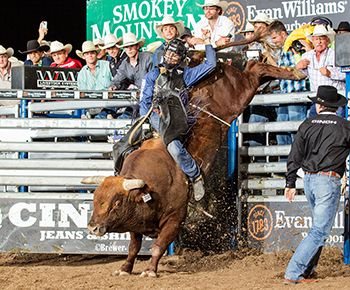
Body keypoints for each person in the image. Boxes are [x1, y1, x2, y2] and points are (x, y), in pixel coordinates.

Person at [284, 85, 349, 284]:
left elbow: (295, 154)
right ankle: (294, 273)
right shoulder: (345, 126)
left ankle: (308, 269)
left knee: (317, 228)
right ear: (336, 107)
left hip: (310, 180)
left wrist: (290, 182)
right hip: (328, 181)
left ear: (320, 106)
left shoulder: (307, 124)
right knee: (319, 230)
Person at [139, 38, 216, 201]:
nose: (170, 57)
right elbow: (144, 101)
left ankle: (195, 176)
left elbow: (211, 64)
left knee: (173, 146)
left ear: (180, 59)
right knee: (122, 145)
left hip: (176, 120)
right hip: (154, 117)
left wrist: (208, 42)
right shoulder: (153, 74)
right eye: (169, 53)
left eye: (175, 56)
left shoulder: (186, 74)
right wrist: (147, 120)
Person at [268, 21, 308, 146]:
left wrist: (293, 68)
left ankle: (298, 160)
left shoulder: (295, 44)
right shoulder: (283, 50)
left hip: (296, 93)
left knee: (296, 130)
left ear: (284, 34)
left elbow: (305, 65)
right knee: (281, 129)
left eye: (275, 37)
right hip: (284, 95)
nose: (274, 41)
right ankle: (284, 161)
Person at [296, 24, 345, 117]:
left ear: (327, 40)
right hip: (318, 101)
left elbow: (345, 75)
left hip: (334, 100)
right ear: (313, 41)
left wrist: (330, 73)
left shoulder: (335, 54)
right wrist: (299, 68)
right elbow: (306, 75)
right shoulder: (306, 56)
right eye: (316, 39)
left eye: (321, 39)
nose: (319, 42)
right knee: (314, 127)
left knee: (334, 128)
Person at [76, 41, 113, 119]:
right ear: (84, 56)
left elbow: (116, 83)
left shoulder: (107, 65)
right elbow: (82, 95)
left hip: (108, 105)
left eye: (92, 53)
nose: (90, 55)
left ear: (96, 54)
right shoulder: (82, 73)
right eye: (87, 53)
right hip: (90, 106)